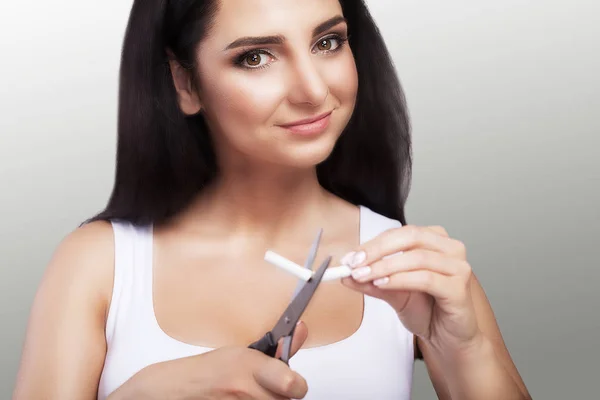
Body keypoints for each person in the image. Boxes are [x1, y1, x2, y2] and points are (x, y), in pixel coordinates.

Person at [12, 0, 532, 399]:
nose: (312, 89)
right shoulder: (98, 263)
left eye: (328, 42)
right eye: (256, 57)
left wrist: (465, 350)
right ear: (184, 82)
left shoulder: (414, 266)